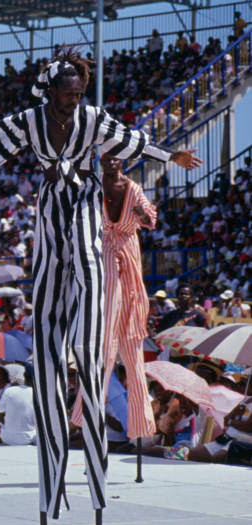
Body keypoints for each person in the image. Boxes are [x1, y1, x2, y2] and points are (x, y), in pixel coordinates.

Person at [0, 47, 202, 525]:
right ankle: (57, 358)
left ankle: (88, 347)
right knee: (50, 287)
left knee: (84, 261)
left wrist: (172, 157)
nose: (74, 100)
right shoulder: (31, 122)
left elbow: (133, 138)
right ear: (52, 93)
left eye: (79, 93)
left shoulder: (92, 121)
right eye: (68, 93)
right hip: (49, 210)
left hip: (81, 206)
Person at [71, 153, 156, 440]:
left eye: (116, 156)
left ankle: (141, 424)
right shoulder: (92, 188)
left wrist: (143, 216)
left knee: (133, 346)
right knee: (105, 343)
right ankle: (85, 413)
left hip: (129, 255)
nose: (111, 161)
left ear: (123, 160)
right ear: (100, 159)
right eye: (106, 156)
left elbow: (150, 215)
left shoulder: (133, 188)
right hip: (105, 250)